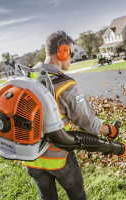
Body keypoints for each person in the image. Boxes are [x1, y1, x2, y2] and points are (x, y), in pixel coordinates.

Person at [22, 31, 119, 200]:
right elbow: (89, 124)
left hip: (31, 158)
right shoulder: (65, 85)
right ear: (63, 51)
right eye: (71, 53)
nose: (72, 58)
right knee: (78, 196)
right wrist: (110, 131)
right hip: (58, 157)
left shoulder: (28, 79)